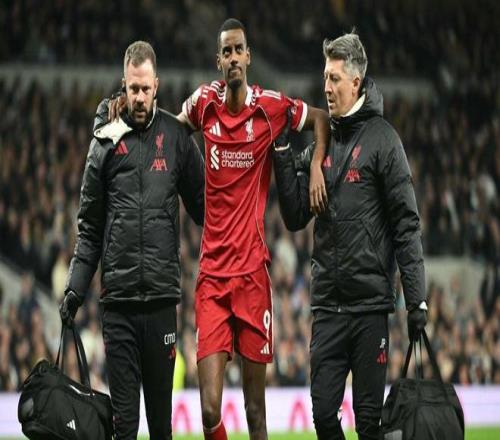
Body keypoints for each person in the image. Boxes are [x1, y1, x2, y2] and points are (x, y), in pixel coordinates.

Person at [178, 18, 330, 440]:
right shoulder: (203, 103)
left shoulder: (270, 107)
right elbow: (171, 128)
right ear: (219, 61)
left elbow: (321, 119)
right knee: (209, 410)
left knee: (255, 413)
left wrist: (316, 166)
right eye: (225, 52)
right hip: (212, 277)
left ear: (248, 57)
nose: (232, 58)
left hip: (251, 278)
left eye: (238, 50)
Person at [272, 32, 428, 439]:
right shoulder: (321, 147)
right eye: (325, 77)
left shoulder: (384, 140)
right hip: (327, 307)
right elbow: (294, 216)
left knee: (369, 423)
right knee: (324, 416)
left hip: (369, 308)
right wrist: (284, 152)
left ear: (356, 82)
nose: (326, 86)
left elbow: (406, 224)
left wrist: (417, 299)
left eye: (335, 78)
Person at [59, 41, 205, 440]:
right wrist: (74, 289)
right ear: (123, 87)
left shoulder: (176, 138)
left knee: (161, 426)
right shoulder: (104, 142)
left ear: (157, 85)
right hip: (118, 307)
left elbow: (207, 209)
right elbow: (90, 228)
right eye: (132, 88)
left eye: (145, 88)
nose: (139, 97)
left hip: (161, 304)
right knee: (124, 426)